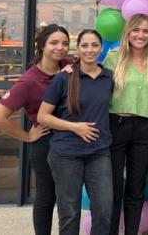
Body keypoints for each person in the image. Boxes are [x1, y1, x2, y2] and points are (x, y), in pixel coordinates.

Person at [0, 24, 70, 235]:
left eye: (64, 43)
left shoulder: (70, 66)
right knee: (47, 196)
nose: (60, 48)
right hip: (45, 143)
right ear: (42, 45)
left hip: (71, 141)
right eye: (54, 43)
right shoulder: (29, 80)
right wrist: (27, 136)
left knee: (67, 196)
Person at [37, 29, 114, 235]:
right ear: (78, 49)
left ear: (101, 48)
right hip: (66, 154)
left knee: (104, 209)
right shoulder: (64, 78)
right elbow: (43, 116)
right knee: (70, 213)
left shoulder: (109, 77)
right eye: (85, 45)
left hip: (99, 153)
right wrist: (75, 127)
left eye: (95, 45)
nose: (90, 50)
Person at [103, 14, 148, 235]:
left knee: (136, 187)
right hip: (116, 123)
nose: (140, 35)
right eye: (136, 30)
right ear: (127, 32)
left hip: (144, 128)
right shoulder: (113, 59)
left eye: (145, 31)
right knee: (114, 187)